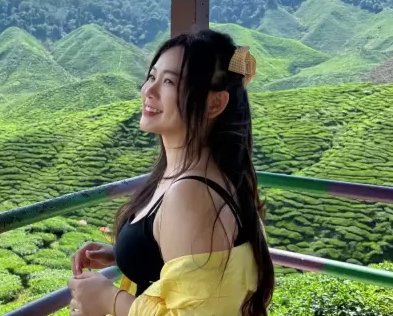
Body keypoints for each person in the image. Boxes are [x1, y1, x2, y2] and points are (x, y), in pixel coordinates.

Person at [68, 30, 274, 316]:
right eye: (152, 77)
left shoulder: (192, 194)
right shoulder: (185, 173)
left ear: (214, 103)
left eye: (169, 82)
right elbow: (191, 269)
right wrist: (126, 254)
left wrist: (108, 300)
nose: (148, 91)